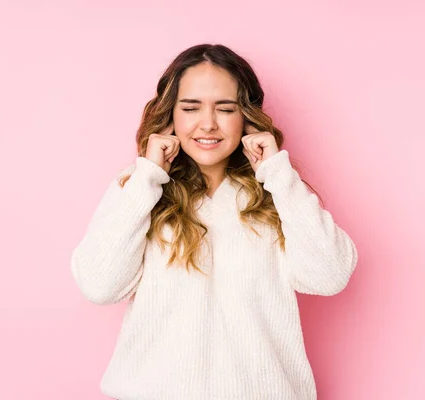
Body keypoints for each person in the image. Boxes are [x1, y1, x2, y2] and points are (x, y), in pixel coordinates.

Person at [70, 43, 358, 400]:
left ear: (246, 117)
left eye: (225, 108)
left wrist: (278, 175)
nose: (208, 123)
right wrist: (147, 177)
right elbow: (99, 285)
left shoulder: (275, 194)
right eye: (191, 107)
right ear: (171, 114)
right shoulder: (138, 189)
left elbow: (329, 276)